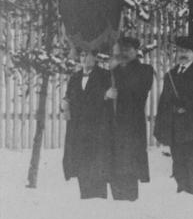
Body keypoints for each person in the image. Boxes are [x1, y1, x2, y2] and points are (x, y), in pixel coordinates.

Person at [153, 34, 193, 195]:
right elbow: (164, 104)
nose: (182, 54)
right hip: (176, 132)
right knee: (179, 168)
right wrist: (160, 129)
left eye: (187, 51)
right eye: (180, 50)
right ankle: (182, 200)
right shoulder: (171, 75)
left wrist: (188, 105)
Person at [62, 48, 115, 200]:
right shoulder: (75, 77)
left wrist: (105, 96)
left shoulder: (105, 76)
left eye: (87, 55)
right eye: (82, 55)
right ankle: (86, 204)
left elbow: (111, 103)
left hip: (98, 132)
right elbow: (69, 98)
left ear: (96, 57)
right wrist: (63, 104)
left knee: (97, 171)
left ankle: (98, 206)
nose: (84, 59)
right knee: (82, 170)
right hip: (79, 133)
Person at [108, 35, 155, 198]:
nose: (123, 53)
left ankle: (130, 205)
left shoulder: (145, 70)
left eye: (127, 50)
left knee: (130, 169)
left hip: (132, 128)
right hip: (114, 127)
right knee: (115, 169)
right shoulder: (113, 72)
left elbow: (136, 91)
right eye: (121, 50)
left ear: (136, 51)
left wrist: (116, 71)